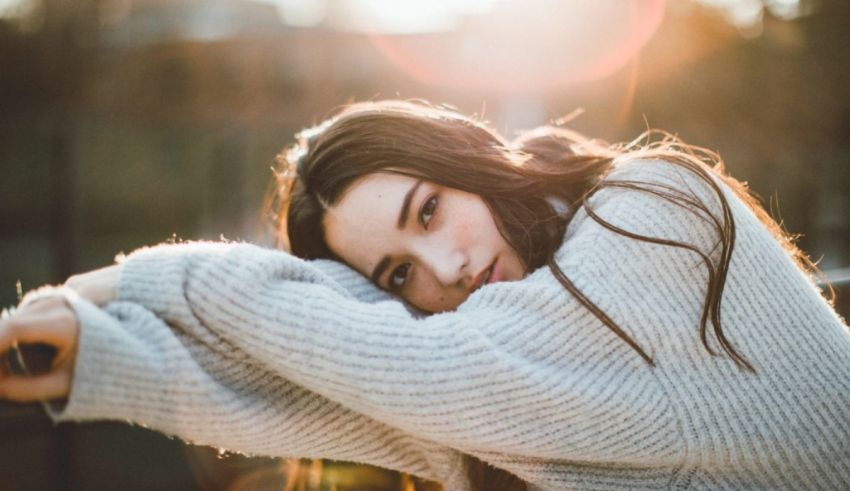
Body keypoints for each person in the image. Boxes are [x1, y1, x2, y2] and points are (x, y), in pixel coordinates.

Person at [2, 100, 849, 491]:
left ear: (471, 154)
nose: (441, 267)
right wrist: (92, 354)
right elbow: (314, 397)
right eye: (396, 274)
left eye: (431, 209)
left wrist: (145, 276)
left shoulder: (656, 205)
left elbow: (416, 360)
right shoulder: (498, 396)